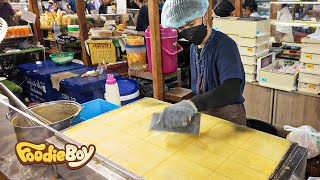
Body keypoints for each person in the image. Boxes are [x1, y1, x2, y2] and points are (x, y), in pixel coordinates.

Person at [159, 0, 246, 128]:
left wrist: (193, 104)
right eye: (181, 28)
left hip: (229, 119)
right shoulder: (194, 47)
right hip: (205, 115)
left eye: (191, 23)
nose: (187, 31)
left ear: (204, 15)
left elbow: (231, 89)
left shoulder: (225, 45)